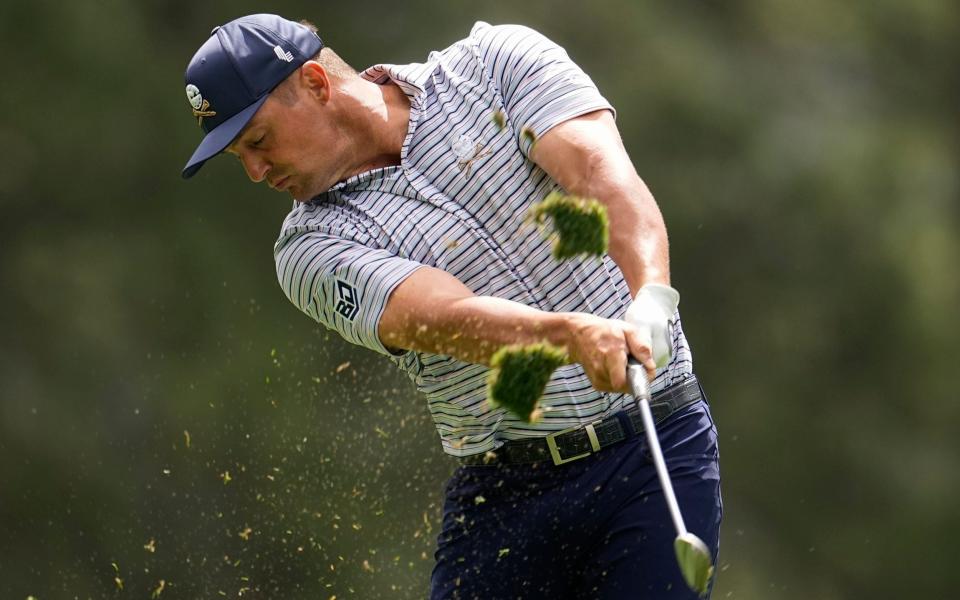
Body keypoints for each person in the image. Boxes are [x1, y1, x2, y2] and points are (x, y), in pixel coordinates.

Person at [181, 13, 721, 599]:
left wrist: (651, 301)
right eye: (240, 158)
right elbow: (443, 320)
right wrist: (575, 337)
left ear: (315, 82)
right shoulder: (308, 250)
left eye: (258, 141)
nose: (256, 172)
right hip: (506, 495)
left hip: (654, 448)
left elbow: (600, 176)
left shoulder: (496, 63)